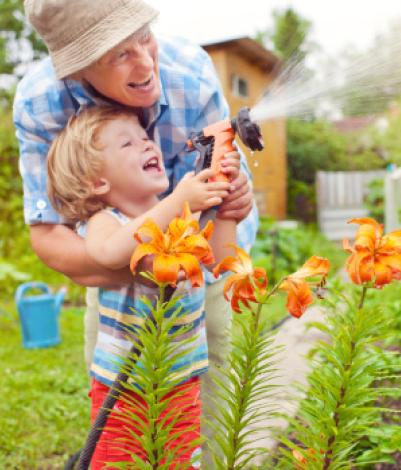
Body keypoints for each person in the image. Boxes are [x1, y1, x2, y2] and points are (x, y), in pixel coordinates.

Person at [13, 0, 259, 464]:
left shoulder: (191, 75)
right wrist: (164, 227)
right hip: (124, 359)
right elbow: (83, 243)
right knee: (121, 451)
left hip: (185, 366)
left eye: (145, 36)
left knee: (202, 445)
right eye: (117, 54)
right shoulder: (43, 106)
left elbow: (218, 258)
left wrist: (230, 205)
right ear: (78, 68)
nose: (147, 65)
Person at [46, 104, 238, 469]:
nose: (148, 145)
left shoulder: (182, 216)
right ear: (99, 182)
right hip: (126, 387)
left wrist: (225, 206)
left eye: (146, 137)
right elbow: (108, 252)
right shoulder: (106, 220)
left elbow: (218, 258)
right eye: (128, 144)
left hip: (181, 381)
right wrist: (180, 201)